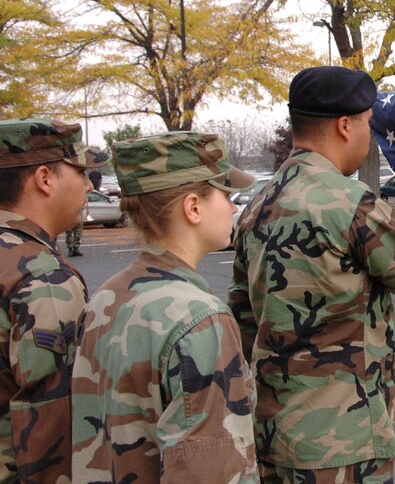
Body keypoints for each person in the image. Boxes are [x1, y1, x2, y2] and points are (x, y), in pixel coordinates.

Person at [229, 66, 395, 483]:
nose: (370, 136)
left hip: (275, 434)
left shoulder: (258, 203)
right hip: (345, 442)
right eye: (367, 123)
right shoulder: (349, 202)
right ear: (345, 126)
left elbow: (242, 320)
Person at [71, 132, 258, 482]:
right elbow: (211, 471)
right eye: (225, 194)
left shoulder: (107, 297)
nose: (233, 208)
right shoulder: (200, 318)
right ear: (193, 207)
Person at [0, 117, 108, 482]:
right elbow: (52, 424)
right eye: (80, 172)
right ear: (45, 179)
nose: (88, 186)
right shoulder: (42, 276)